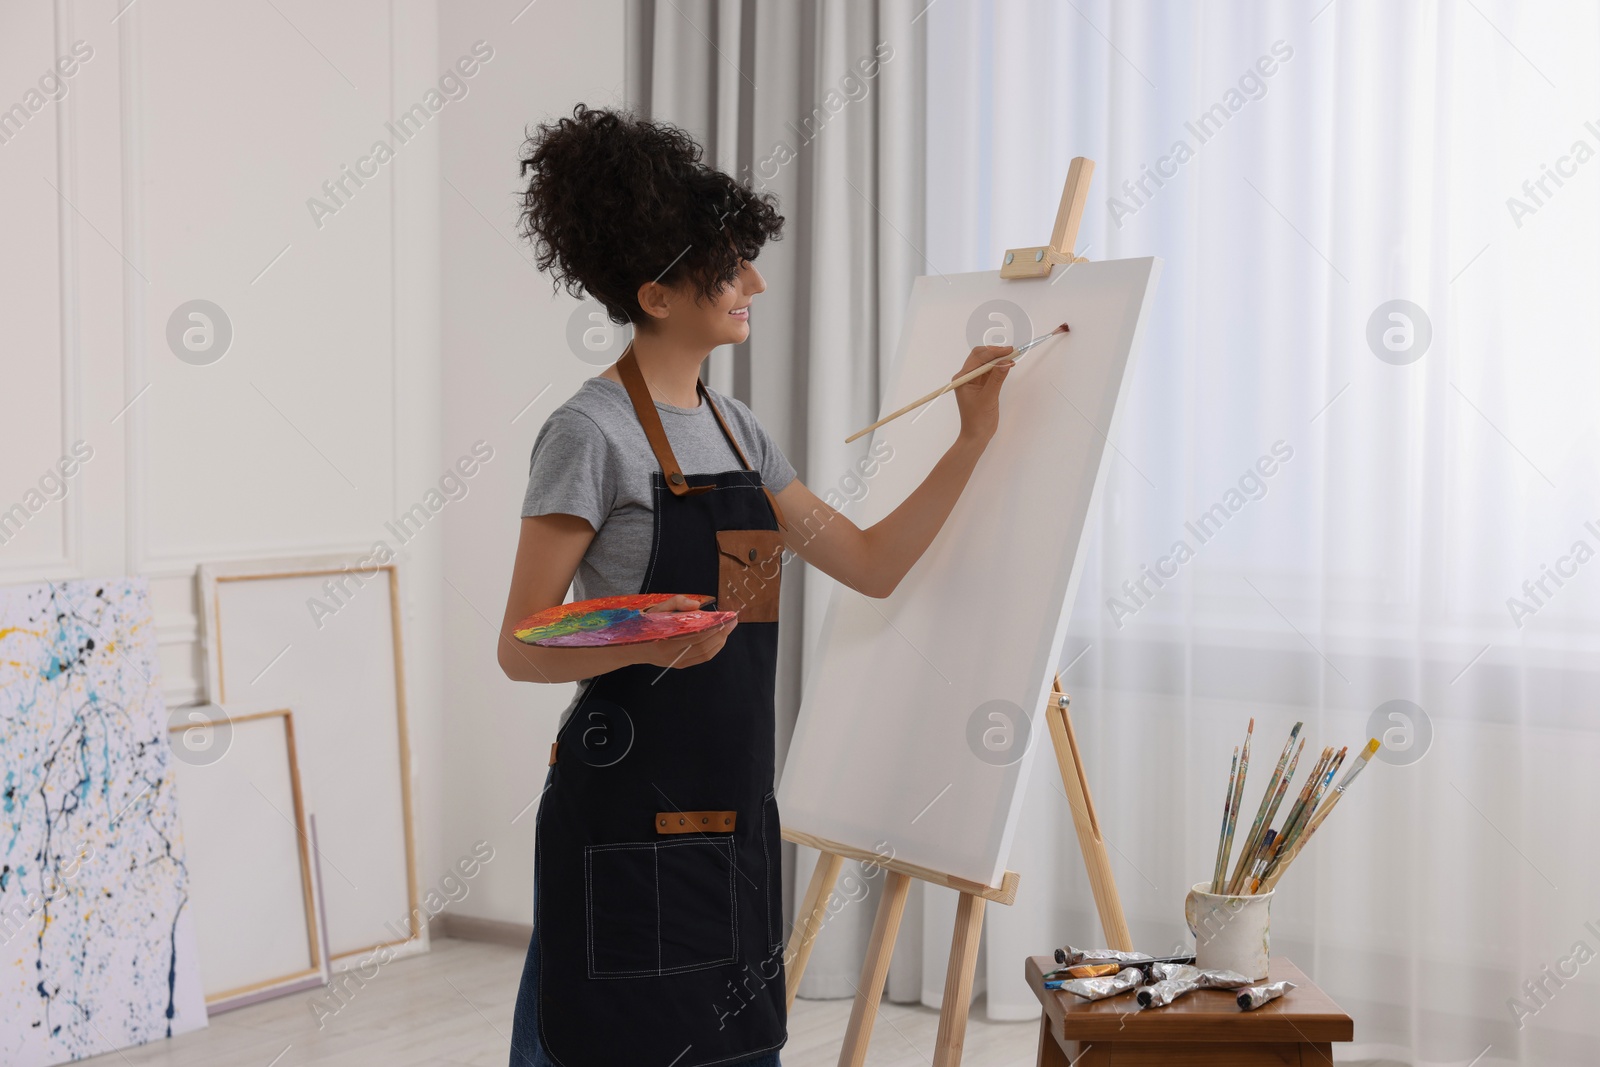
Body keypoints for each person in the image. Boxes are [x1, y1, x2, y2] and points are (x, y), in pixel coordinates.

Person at [500, 103, 1012, 1067]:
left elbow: (869, 563)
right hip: (623, 803)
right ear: (657, 295)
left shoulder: (740, 432)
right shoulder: (588, 435)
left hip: (731, 806)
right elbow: (521, 643)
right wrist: (655, 643)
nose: (755, 281)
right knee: (602, 1041)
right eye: (729, 265)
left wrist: (972, 437)